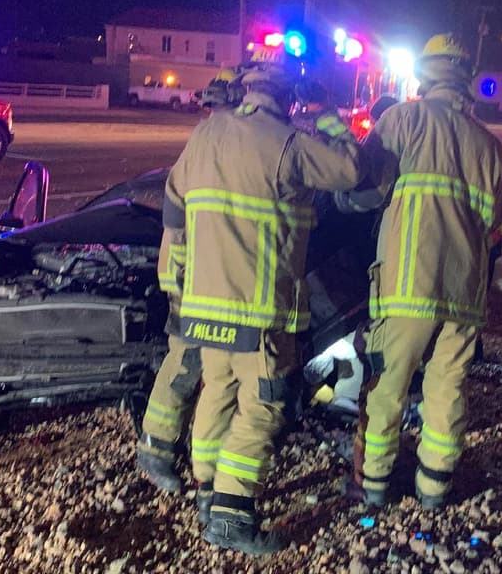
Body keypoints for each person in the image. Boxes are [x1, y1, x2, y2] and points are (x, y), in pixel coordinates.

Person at [167, 55, 363, 555]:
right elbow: (351, 168)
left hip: (203, 305)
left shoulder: (205, 137)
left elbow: (174, 206)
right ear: (287, 96)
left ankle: (209, 495)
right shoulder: (289, 144)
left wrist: (179, 277)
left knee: (218, 393)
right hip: (259, 313)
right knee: (264, 407)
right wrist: (324, 112)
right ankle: (232, 518)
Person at [337, 34, 502, 511]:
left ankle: (371, 487)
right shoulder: (490, 146)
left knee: (387, 385)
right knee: (447, 388)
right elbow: (495, 221)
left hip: (409, 285)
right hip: (466, 290)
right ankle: (434, 487)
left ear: (424, 73)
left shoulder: (404, 119)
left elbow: (362, 189)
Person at [135, 67, 246, 492]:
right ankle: (155, 450)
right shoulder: (217, 142)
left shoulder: (205, 138)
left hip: (190, 271)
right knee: (187, 361)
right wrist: (181, 274)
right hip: (192, 276)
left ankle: (167, 447)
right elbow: (181, 216)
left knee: (192, 361)